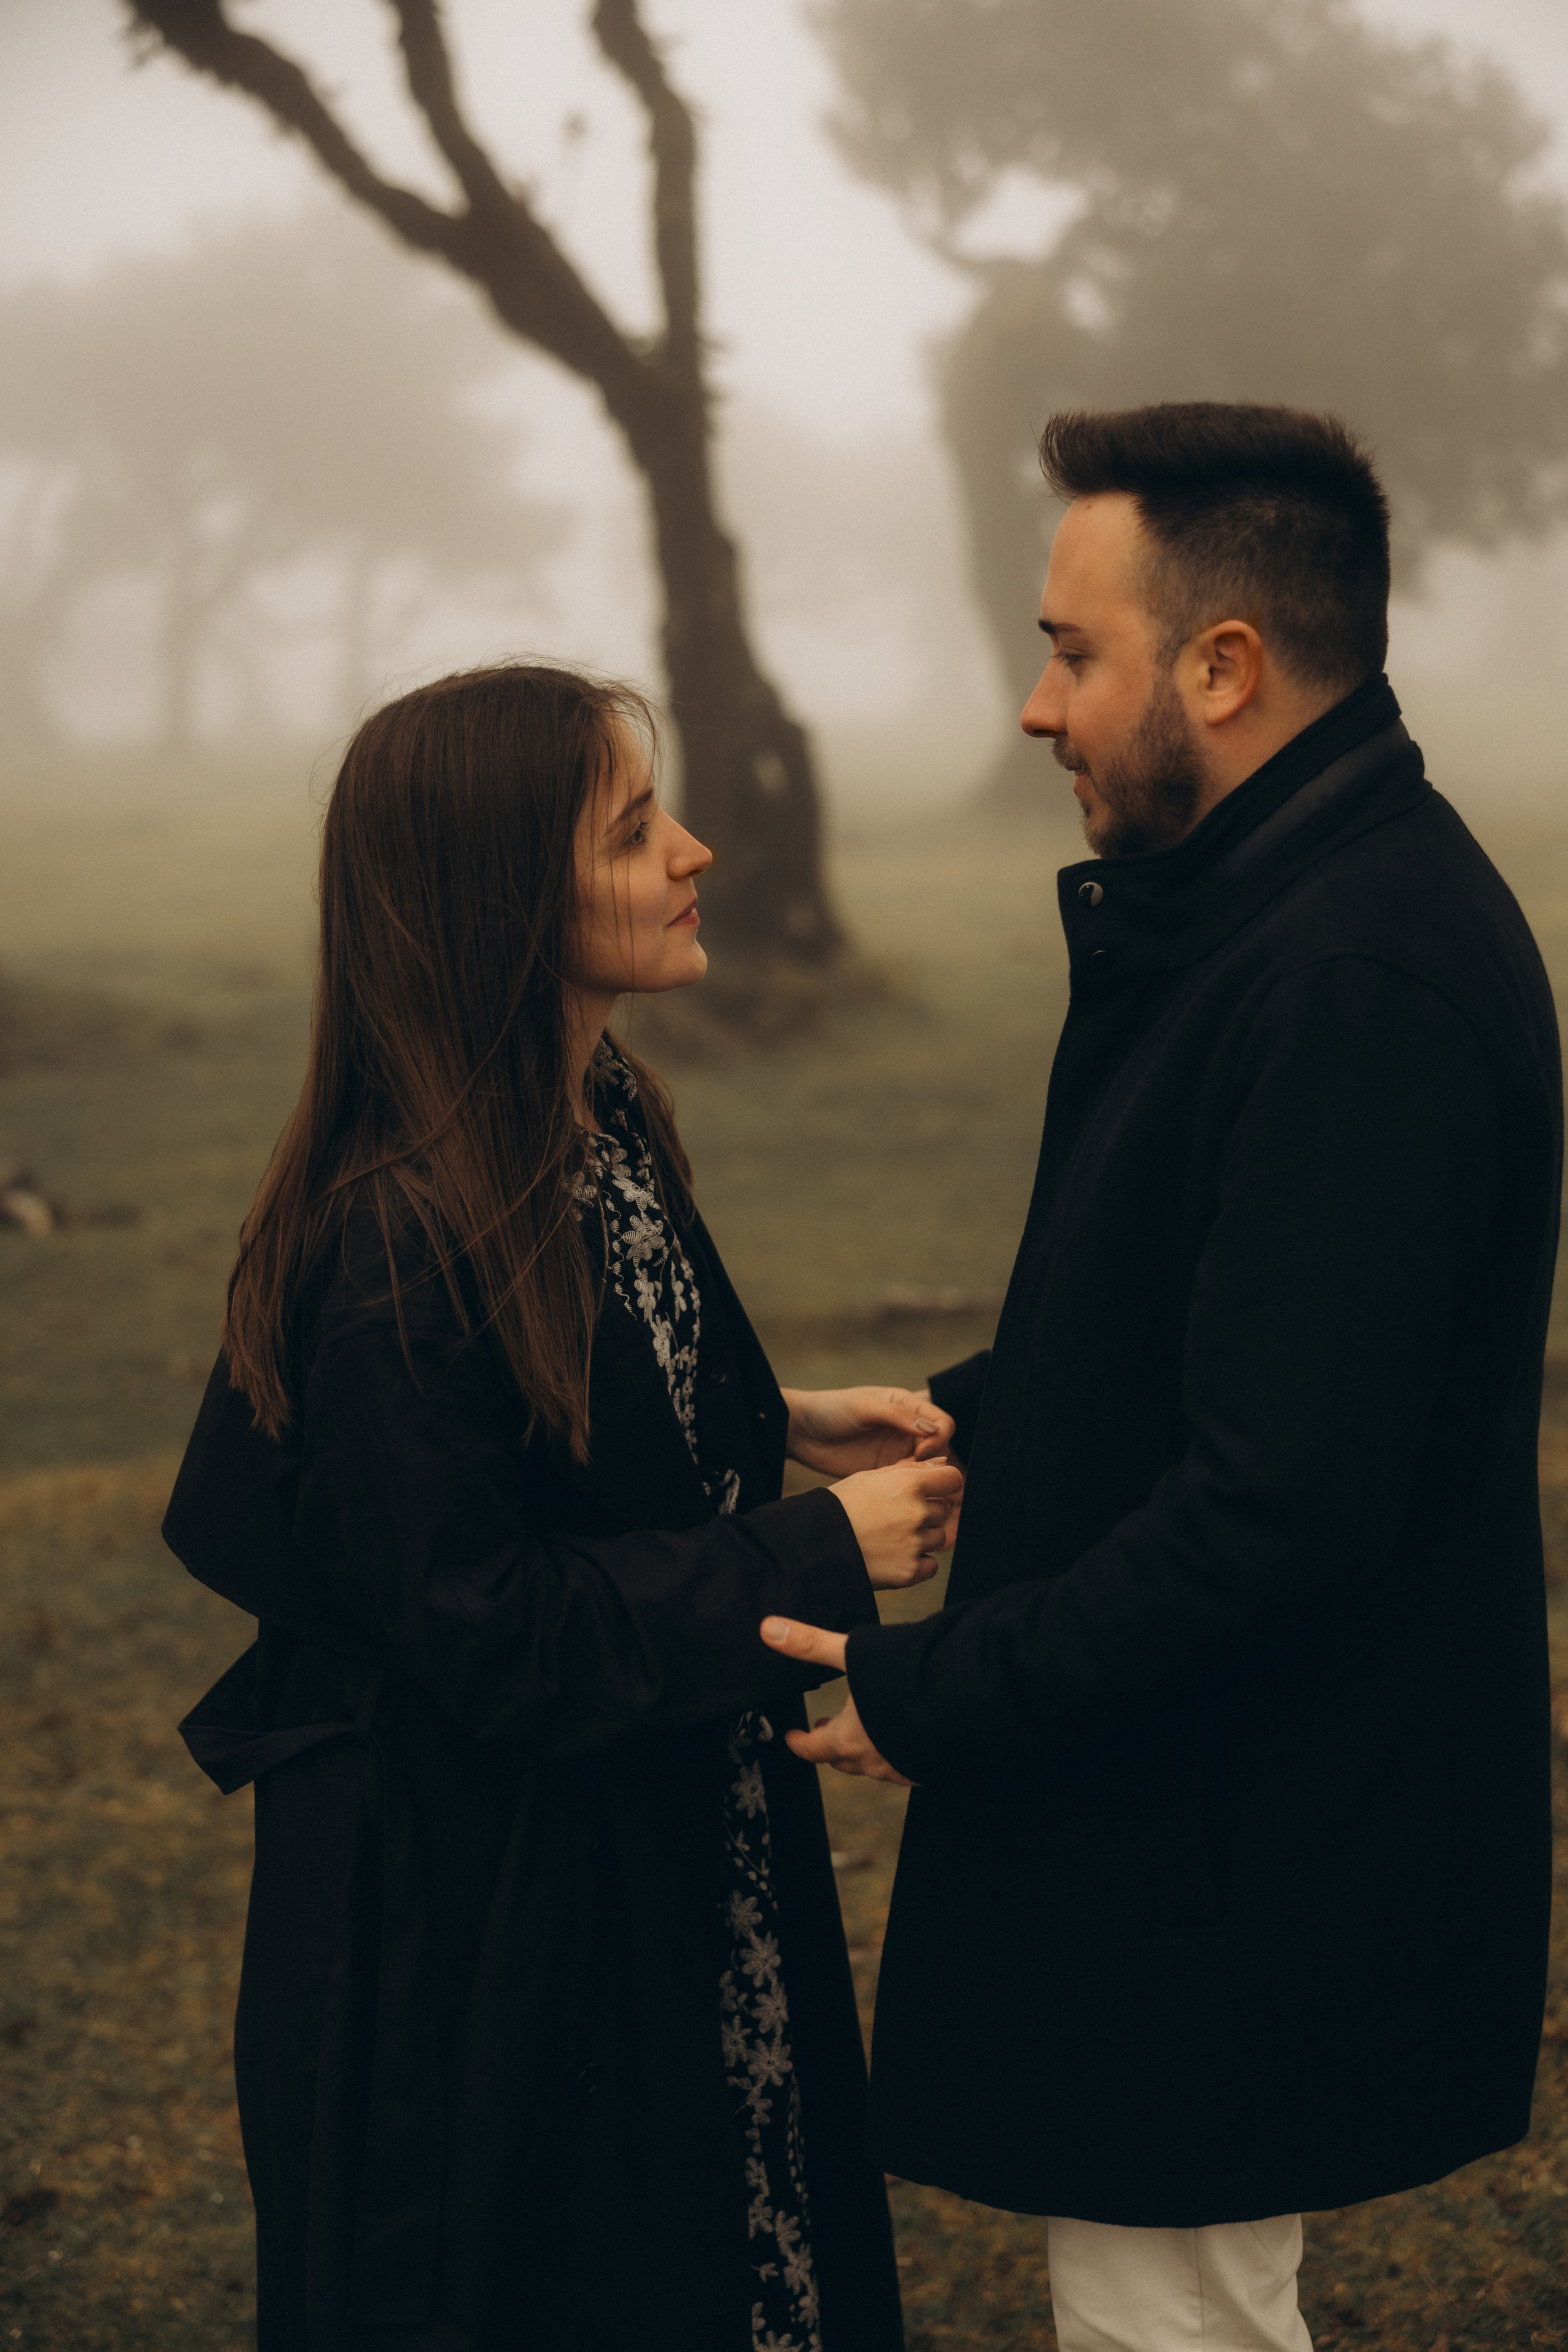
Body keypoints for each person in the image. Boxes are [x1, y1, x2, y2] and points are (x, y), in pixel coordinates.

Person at [761, 402, 1562, 2352]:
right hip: (1218, 1820)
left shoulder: (1353, 974)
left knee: (1172, 2318)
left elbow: (1276, 1506)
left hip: (1242, 1851)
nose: (1038, 705)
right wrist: (1005, 1405)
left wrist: (937, 1687)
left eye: (1070, 649)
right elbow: (1236, 1317)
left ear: (1224, 666)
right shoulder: (1276, 906)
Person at [162, 662, 963, 2352]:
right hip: (484, 1944)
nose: (698, 852)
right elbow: (493, 1633)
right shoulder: (391, 1243)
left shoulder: (595, 1117)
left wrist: (776, 1418)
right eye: (631, 829)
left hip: (642, 1847)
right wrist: (817, 1553)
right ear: (499, 899)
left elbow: (574, 1406)